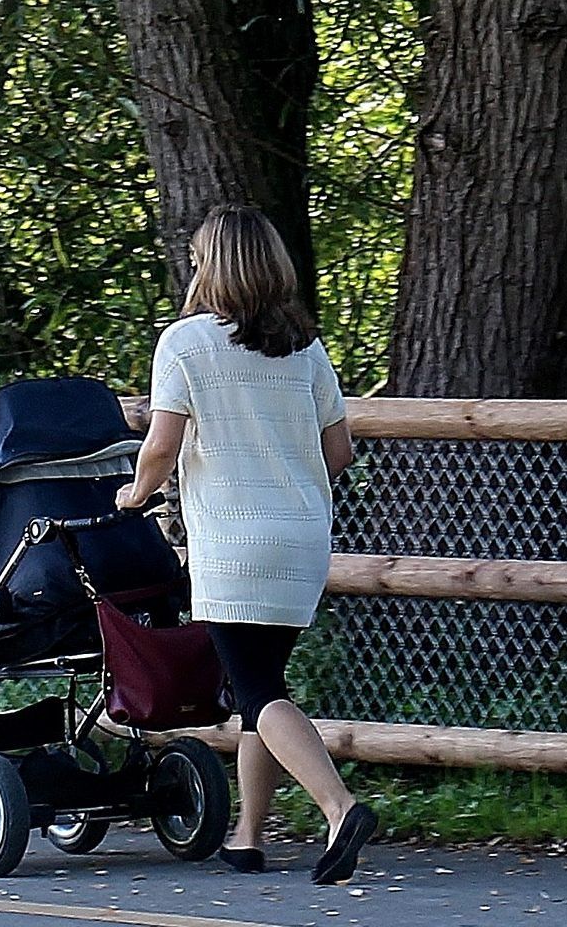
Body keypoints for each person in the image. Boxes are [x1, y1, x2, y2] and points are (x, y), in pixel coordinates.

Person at [115, 204, 376, 885]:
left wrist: (134, 495)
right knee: (260, 686)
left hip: (233, 542)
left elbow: (162, 445)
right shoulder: (304, 347)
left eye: (199, 257)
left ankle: (338, 806)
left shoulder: (185, 343)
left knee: (256, 690)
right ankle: (248, 836)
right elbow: (338, 451)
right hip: (301, 539)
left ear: (214, 266)